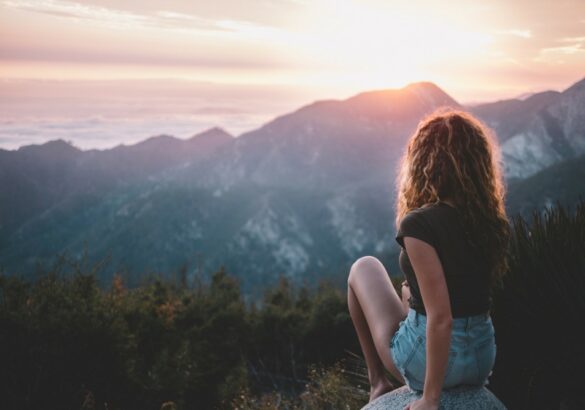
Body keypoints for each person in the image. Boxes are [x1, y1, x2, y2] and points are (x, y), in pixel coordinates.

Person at [347, 108, 511, 410]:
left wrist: (430, 399)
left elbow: (441, 317)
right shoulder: (488, 221)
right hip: (481, 357)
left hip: (432, 363)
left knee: (363, 268)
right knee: (409, 296)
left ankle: (378, 383)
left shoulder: (419, 224)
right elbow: (465, 296)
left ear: (425, 163)